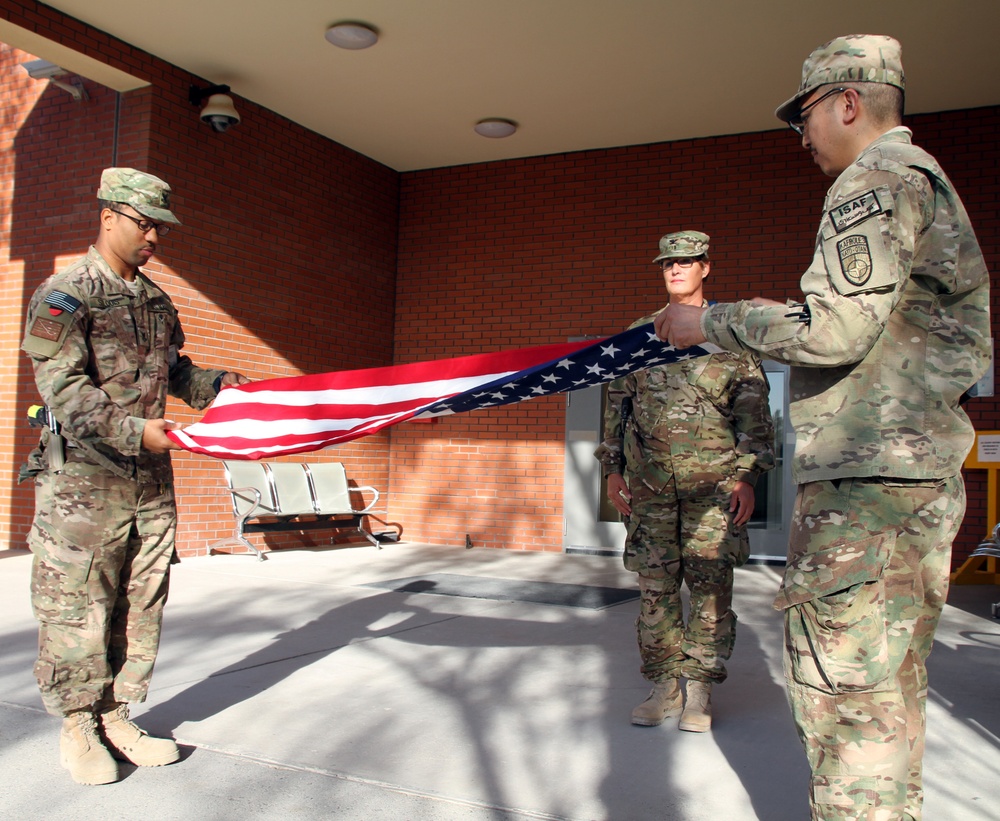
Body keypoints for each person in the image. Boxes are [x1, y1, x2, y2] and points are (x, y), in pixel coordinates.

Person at [654, 35, 991, 820]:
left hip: (865, 490)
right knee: (890, 690)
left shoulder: (874, 180)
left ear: (847, 102)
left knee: (845, 701)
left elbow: (833, 331)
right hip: (913, 480)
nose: (800, 137)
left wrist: (713, 320)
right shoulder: (926, 181)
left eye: (804, 115)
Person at [20, 168, 250, 786]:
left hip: (149, 478)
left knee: (141, 598)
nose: (153, 236)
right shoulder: (66, 295)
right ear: (108, 215)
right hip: (85, 483)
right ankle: (78, 724)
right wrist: (132, 432)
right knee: (78, 602)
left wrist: (226, 390)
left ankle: (117, 713)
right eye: (144, 223)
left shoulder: (154, 301)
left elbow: (177, 374)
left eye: (159, 227)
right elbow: (61, 388)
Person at [595, 230, 775, 732]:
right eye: (668, 263)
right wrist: (612, 470)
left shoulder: (728, 334)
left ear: (705, 268)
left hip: (713, 489)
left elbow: (754, 416)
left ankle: (699, 690)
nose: (676, 269)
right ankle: (663, 686)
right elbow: (616, 407)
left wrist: (746, 477)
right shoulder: (640, 334)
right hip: (649, 489)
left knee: (711, 588)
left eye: (687, 262)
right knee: (655, 590)